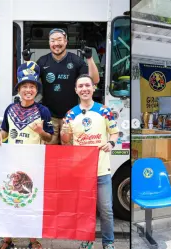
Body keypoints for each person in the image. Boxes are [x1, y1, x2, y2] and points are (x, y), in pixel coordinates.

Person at [0, 61, 54, 249]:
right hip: (11, 163)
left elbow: (50, 138)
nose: (28, 90)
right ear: (19, 89)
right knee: (10, 201)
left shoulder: (43, 111)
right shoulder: (10, 109)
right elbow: (4, 131)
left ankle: (33, 239)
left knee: (31, 202)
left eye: (32, 86)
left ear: (37, 90)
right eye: (25, 86)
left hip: (33, 164)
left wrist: (41, 132)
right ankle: (7, 238)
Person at [60, 74, 119, 249]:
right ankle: (87, 241)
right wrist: (64, 131)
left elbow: (114, 132)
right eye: (81, 86)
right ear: (76, 90)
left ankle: (108, 243)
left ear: (93, 88)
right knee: (85, 211)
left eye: (87, 85)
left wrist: (111, 143)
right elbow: (65, 141)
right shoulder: (70, 114)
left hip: (102, 169)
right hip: (81, 171)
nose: (84, 89)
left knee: (106, 210)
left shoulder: (104, 110)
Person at [36, 28, 100, 145]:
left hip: (72, 116)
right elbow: (30, 81)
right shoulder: (42, 61)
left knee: (70, 152)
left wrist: (90, 58)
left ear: (66, 42)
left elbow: (94, 80)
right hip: (49, 117)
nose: (56, 44)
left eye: (59, 40)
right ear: (49, 43)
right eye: (52, 40)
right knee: (49, 154)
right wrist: (26, 61)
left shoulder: (76, 61)